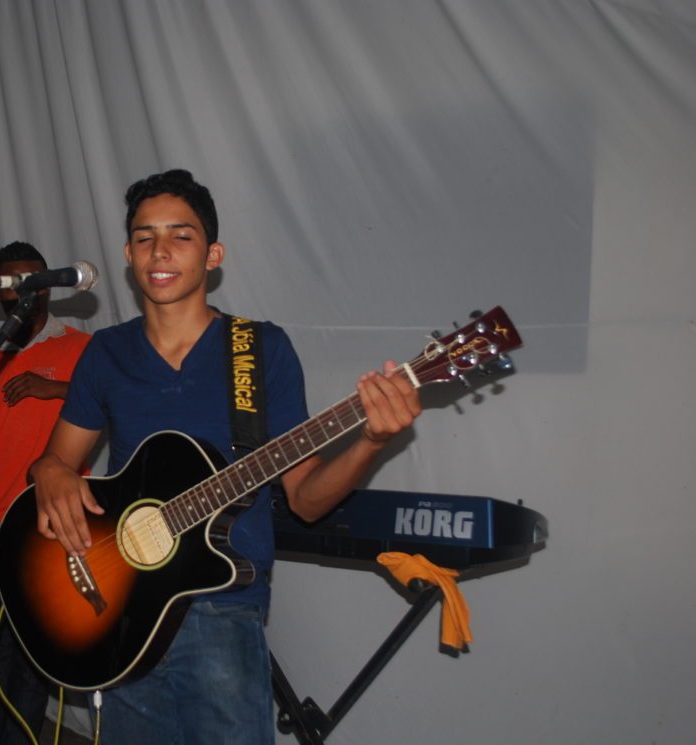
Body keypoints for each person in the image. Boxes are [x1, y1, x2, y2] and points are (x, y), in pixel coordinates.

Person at [28, 169, 422, 744]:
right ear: (128, 255)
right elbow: (54, 462)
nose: (160, 250)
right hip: (118, 606)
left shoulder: (260, 350)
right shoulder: (106, 352)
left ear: (213, 255)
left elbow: (306, 500)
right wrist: (50, 473)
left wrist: (371, 440)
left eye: (181, 235)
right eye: (144, 237)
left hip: (223, 607)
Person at [0, 241, 91, 744]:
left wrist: (52, 388)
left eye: (35, 280)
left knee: (40, 641)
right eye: (15, 283)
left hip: (52, 517)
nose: (27, 291)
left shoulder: (81, 347)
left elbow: (114, 406)